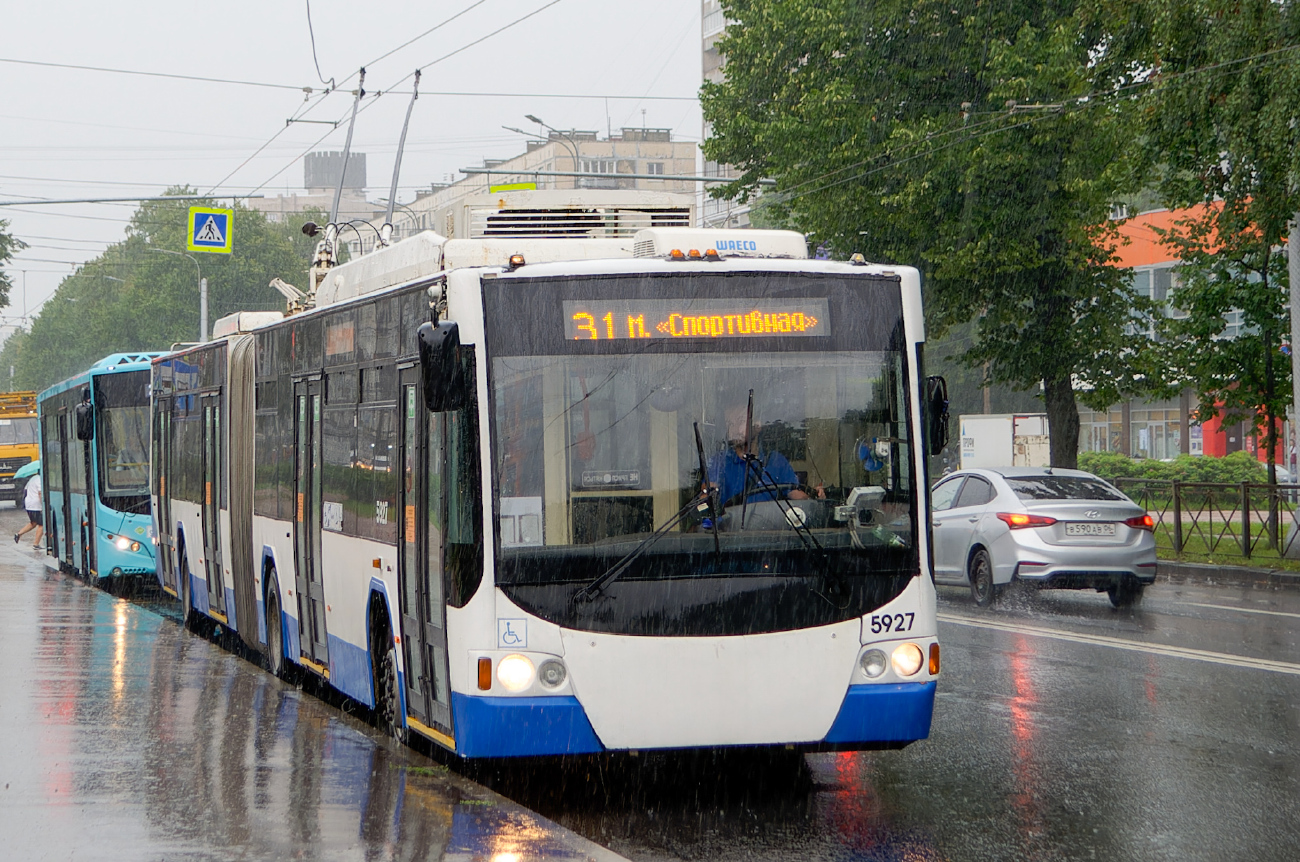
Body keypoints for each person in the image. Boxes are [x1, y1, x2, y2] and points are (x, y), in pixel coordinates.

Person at [707, 402, 825, 505]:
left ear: (758, 426)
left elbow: (795, 494)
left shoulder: (775, 461)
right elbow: (707, 495)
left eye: (740, 421)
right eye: (730, 424)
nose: (734, 428)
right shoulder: (719, 462)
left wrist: (815, 499)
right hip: (730, 529)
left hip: (769, 528)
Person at [15, 472, 43, 550]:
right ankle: (36, 544)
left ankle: (18, 534)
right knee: (42, 524)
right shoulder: (39, 480)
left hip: (29, 504)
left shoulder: (33, 478)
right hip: (36, 505)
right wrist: (43, 505)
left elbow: (25, 490)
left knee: (33, 523)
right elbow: (40, 493)